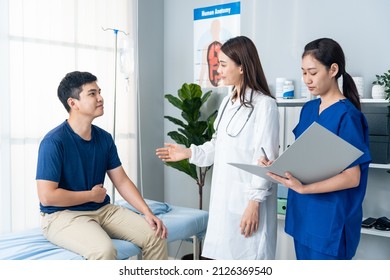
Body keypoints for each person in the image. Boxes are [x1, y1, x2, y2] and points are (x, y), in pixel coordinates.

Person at [156, 36, 280, 260]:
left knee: (249, 259)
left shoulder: (265, 105)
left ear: (241, 66)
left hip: (249, 201)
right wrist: (189, 152)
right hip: (225, 199)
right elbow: (217, 145)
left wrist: (254, 204)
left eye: (223, 64)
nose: (218, 69)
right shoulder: (227, 102)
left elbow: (265, 159)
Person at [36, 71, 168, 260]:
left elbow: (121, 181)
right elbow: (47, 197)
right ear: (73, 103)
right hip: (62, 215)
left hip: (102, 210)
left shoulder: (104, 138)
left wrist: (147, 212)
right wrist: (91, 195)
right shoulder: (54, 142)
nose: (100, 98)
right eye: (92, 94)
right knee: (104, 251)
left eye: (99, 92)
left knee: (156, 235)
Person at [264, 38, 371, 260]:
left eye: (312, 72)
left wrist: (303, 189)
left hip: (330, 222)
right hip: (303, 216)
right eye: (303, 73)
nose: (307, 80)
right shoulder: (309, 108)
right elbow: (304, 157)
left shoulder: (348, 116)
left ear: (333, 70)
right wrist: (279, 167)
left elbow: (352, 178)